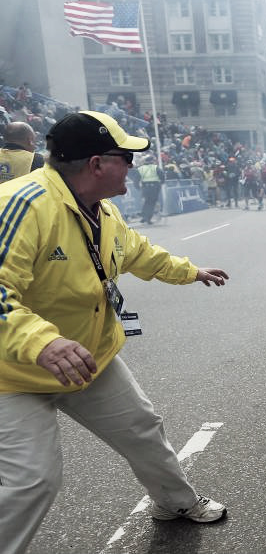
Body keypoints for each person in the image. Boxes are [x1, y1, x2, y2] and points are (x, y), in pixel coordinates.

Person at [0, 111, 230, 554]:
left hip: (88, 356)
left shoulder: (101, 210)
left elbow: (138, 253)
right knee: (32, 482)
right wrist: (42, 342)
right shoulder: (23, 203)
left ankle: (175, 503)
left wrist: (191, 272)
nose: (134, 165)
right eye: (126, 156)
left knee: (143, 427)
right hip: (13, 375)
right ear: (96, 164)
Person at [135, 153, 163, 224]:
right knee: (152, 203)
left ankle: (144, 216)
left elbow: (136, 179)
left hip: (145, 187)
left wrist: (137, 187)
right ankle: (148, 218)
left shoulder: (140, 168)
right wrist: (161, 183)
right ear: (152, 161)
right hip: (154, 187)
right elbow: (162, 175)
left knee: (147, 202)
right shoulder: (155, 167)